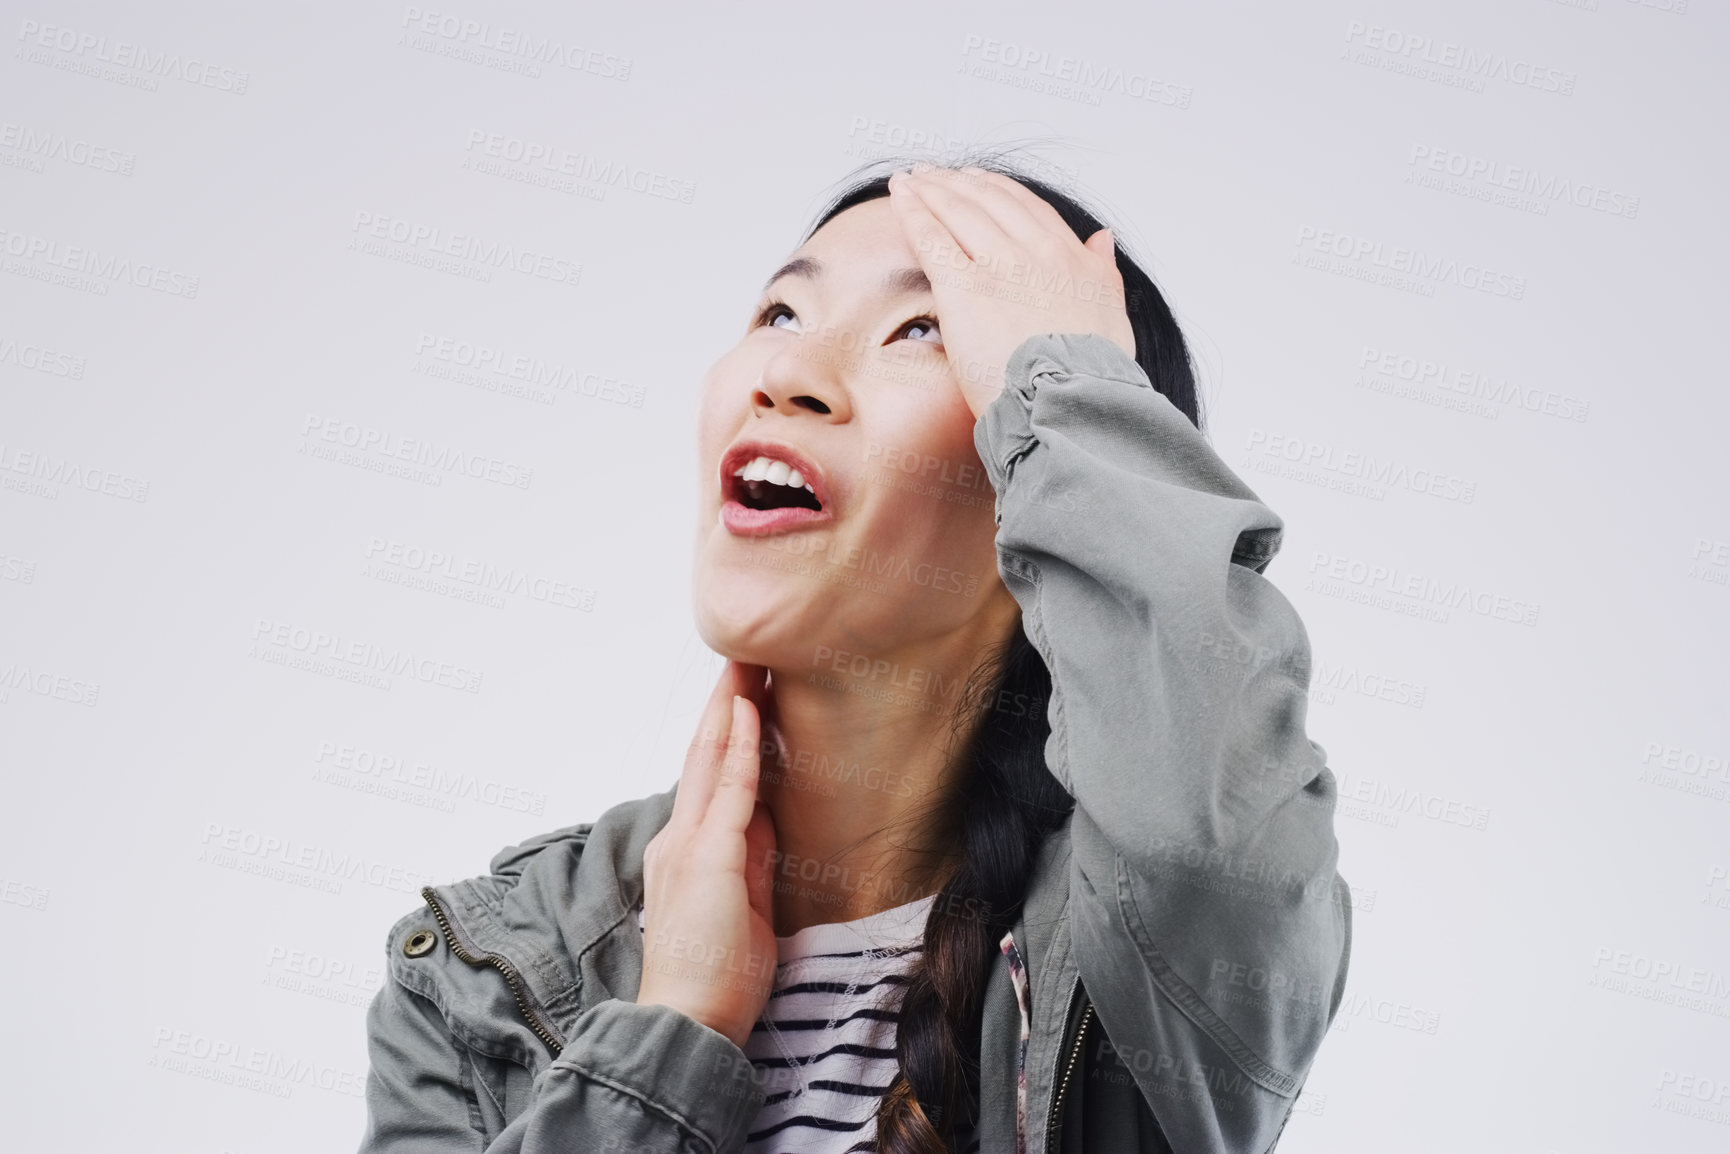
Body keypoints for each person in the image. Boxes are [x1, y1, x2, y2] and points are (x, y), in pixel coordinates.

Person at [357, 155, 1352, 1154]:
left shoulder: (1141, 952)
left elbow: (1216, 827)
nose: (785, 374)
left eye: (922, 330)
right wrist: (671, 1033)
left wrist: (1068, 381)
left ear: (1039, 474)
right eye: (780, 314)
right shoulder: (487, 971)